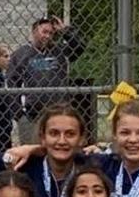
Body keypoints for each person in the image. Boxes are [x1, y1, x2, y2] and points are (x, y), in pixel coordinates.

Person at [7, 15, 85, 143]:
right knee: (32, 152)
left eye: (51, 33)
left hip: (58, 112)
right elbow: (12, 83)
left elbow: (79, 47)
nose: (47, 36)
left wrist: (65, 31)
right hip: (32, 115)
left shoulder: (58, 51)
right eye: (44, 32)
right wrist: (19, 114)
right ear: (34, 32)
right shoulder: (20, 54)